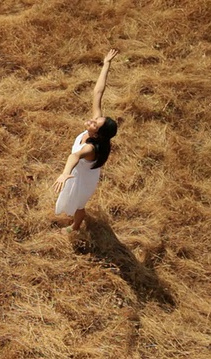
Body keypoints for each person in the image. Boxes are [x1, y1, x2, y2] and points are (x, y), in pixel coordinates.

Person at [52, 49, 119, 234]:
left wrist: (65, 174)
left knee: (78, 207)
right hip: (77, 173)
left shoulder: (90, 148)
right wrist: (106, 64)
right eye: (96, 119)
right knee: (70, 202)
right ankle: (74, 219)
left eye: (95, 124)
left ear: (97, 135)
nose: (92, 120)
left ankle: (75, 226)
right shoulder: (96, 133)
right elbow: (98, 92)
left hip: (81, 179)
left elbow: (74, 155)